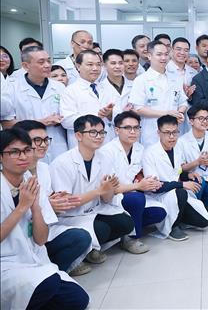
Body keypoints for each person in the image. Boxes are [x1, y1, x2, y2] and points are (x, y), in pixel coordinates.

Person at [0, 128, 89, 310]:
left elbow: (41, 240)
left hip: (34, 258)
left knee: (78, 300)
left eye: (27, 150)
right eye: (14, 152)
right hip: (5, 263)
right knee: (46, 285)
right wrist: (22, 207)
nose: (23, 156)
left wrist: (35, 207)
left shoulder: (31, 182)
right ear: (1, 157)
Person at [49, 115, 135, 265]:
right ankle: (85, 252)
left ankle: (92, 247)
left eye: (102, 132)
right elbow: (65, 204)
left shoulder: (104, 158)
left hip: (94, 210)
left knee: (126, 223)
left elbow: (107, 199)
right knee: (101, 229)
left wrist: (108, 189)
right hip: (71, 216)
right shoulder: (62, 163)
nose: (99, 136)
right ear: (78, 136)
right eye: (93, 132)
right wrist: (98, 191)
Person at [14, 119, 93, 276]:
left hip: (43, 229)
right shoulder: (13, 174)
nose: (43, 145)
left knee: (82, 237)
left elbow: (49, 203)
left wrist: (57, 202)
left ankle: (55, 271)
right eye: (37, 140)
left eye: (45, 140)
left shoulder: (44, 168)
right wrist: (47, 205)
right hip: (19, 235)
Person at [97, 111, 164, 253]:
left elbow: (141, 171)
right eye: (127, 128)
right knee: (136, 198)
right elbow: (110, 190)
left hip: (131, 193)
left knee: (159, 213)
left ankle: (124, 229)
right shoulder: (107, 152)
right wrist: (139, 185)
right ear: (116, 130)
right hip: (112, 198)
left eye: (136, 128)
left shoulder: (139, 148)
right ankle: (131, 238)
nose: (133, 132)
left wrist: (150, 181)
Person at [141, 115, 208, 241]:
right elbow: (154, 187)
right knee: (181, 192)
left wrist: (187, 175)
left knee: (204, 222)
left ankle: (180, 215)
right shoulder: (150, 153)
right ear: (158, 133)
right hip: (160, 195)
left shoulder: (177, 148)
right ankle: (173, 227)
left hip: (176, 192)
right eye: (167, 133)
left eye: (175, 132)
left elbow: (175, 172)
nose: (172, 137)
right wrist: (182, 184)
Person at [4, 46, 67, 162]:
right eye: (41, 62)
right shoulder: (12, 89)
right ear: (26, 66)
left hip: (57, 145)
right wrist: (41, 122)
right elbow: (6, 123)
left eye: (48, 61)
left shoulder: (59, 87)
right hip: (26, 145)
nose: (47, 65)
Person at [128, 40, 188, 145]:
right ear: (149, 56)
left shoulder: (175, 77)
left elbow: (183, 102)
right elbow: (139, 109)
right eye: (159, 54)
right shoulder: (141, 80)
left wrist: (180, 113)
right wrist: (166, 113)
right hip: (152, 132)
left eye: (166, 54)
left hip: (174, 130)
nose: (163, 58)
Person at [176, 106, 208, 216]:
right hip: (191, 177)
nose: (205, 121)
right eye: (201, 118)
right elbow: (181, 168)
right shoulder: (181, 141)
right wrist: (197, 162)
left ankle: (202, 207)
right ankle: (193, 212)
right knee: (199, 182)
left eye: (207, 118)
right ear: (191, 121)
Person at [60, 49, 114, 147]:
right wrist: (96, 116)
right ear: (78, 66)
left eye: (98, 64)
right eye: (90, 64)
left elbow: (117, 114)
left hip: (107, 141)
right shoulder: (70, 91)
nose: (95, 68)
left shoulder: (107, 87)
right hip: (83, 144)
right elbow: (66, 120)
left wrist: (110, 114)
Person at [101, 49, 133, 130]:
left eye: (121, 63)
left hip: (131, 130)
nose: (118, 66)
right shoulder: (99, 88)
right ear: (104, 65)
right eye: (113, 63)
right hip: (109, 131)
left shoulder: (134, 85)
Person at [166, 37, 198, 109]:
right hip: (170, 111)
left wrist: (189, 97)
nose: (182, 53)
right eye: (178, 49)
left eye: (186, 50)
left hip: (190, 111)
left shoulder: (194, 72)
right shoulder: (164, 70)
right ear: (172, 50)